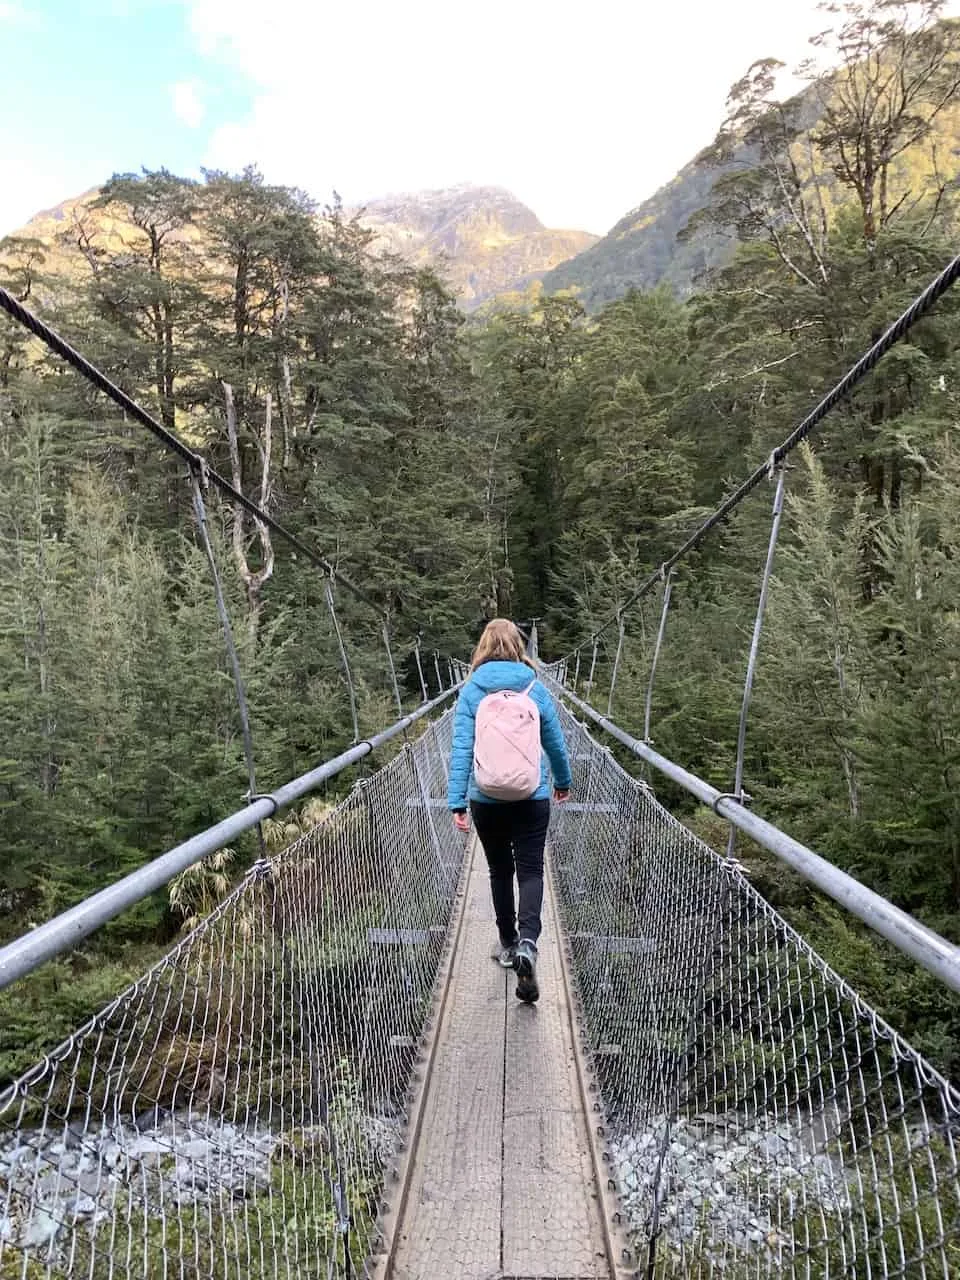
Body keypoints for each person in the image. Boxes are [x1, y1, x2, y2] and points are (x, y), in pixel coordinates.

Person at [447, 618, 572, 1003]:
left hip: (485, 798)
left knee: (500, 870)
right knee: (532, 870)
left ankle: (507, 943)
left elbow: (462, 749)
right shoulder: (535, 686)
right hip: (531, 795)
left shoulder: (471, 691)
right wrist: (563, 781)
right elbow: (554, 741)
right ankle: (529, 945)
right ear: (519, 647)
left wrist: (457, 801)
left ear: (483, 647)